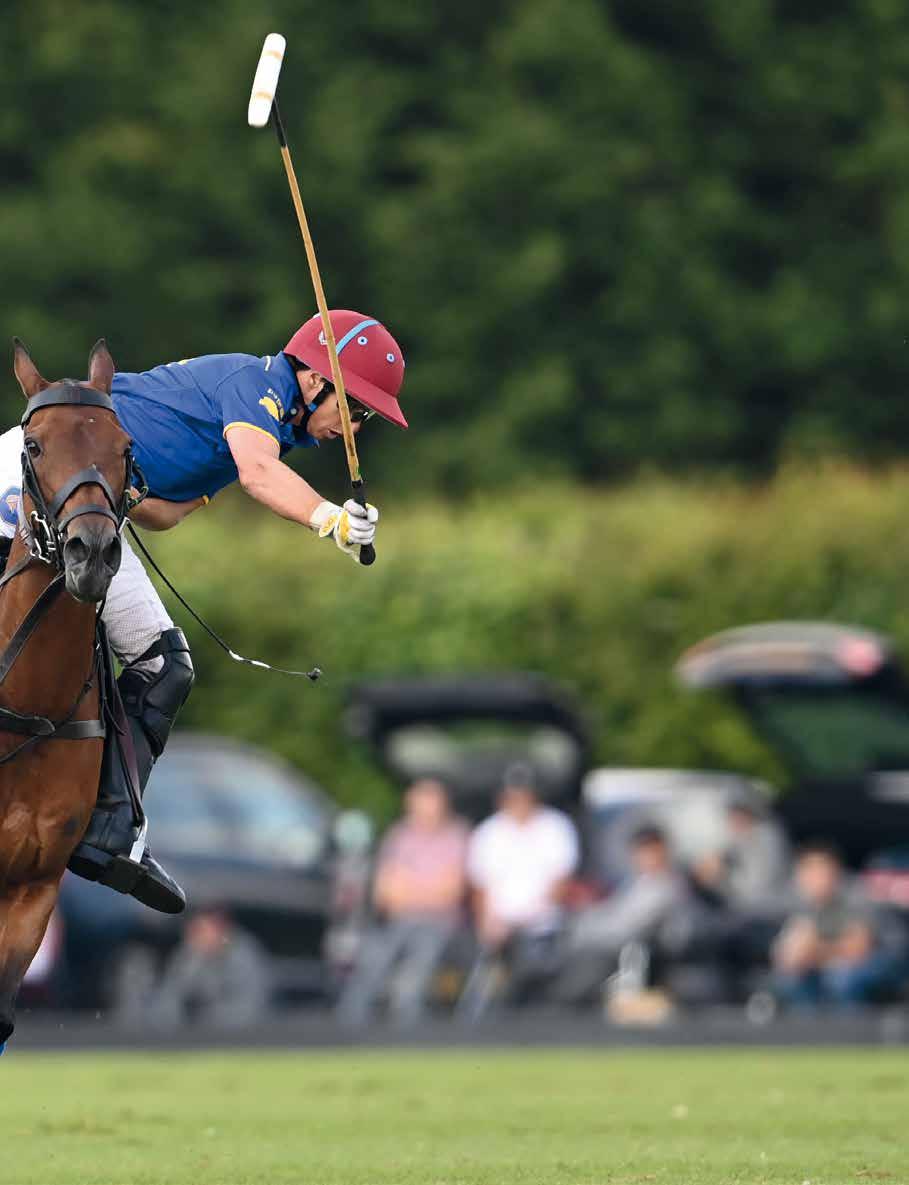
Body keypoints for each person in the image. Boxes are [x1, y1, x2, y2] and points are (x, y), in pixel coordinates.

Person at [4, 310, 406, 914]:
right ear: (316, 379)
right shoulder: (255, 387)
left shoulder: (266, 429)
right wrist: (330, 519)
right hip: (36, 474)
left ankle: (108, 826)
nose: (353, 428)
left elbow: (165, 514)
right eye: (357, 411)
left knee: (165, 665)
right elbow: (259, 474)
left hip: (95, 518)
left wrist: (126, 493)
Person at [336, 778, 469, 1027]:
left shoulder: (455, 837)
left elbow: (450, 892)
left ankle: (408, 1028)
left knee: (418, 968)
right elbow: (385, 892)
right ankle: (350, 1025)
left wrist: (410, 890)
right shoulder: (399, 836)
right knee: (372, 958)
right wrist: (422, 890)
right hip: (398, 920)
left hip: (438, 923)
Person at [463, 764, 579, 1008]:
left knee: (533, 965)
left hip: (542, 925)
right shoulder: (488, 832)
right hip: (498, 927)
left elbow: (560, 882)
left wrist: (528, 917)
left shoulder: (555, 827)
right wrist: (487, 923)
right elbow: (480, 886)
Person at [554, 824, 690, 1007]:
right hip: (608, 947)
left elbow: (630, 928)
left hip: (634, 956)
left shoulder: (667, 886)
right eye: (642, 851)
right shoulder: (636, 883)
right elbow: (612, 912)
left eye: (652, 851)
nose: (647, 857)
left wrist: (584, 931)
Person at [771, 842, 907, 1010]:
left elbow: (858, 949)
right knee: (791, 979)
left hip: (889, 958)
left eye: (820, 870)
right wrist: (799, 955)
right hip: (834, 960)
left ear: (835, 871)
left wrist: (814, 950)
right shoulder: (801, 903)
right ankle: (811, 1025)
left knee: (841, 978)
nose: (814, 878)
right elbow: (787, 958)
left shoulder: (856, 894)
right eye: (808, 871)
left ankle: (855, 1025)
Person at [692, 794, 790, 912]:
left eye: (738, 817)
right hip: (745, 908)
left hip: (770, 908)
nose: (734, 823)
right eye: (731, 819)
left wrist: (721, 876)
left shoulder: (767, 837)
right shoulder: (736, 840)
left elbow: (755, 887)